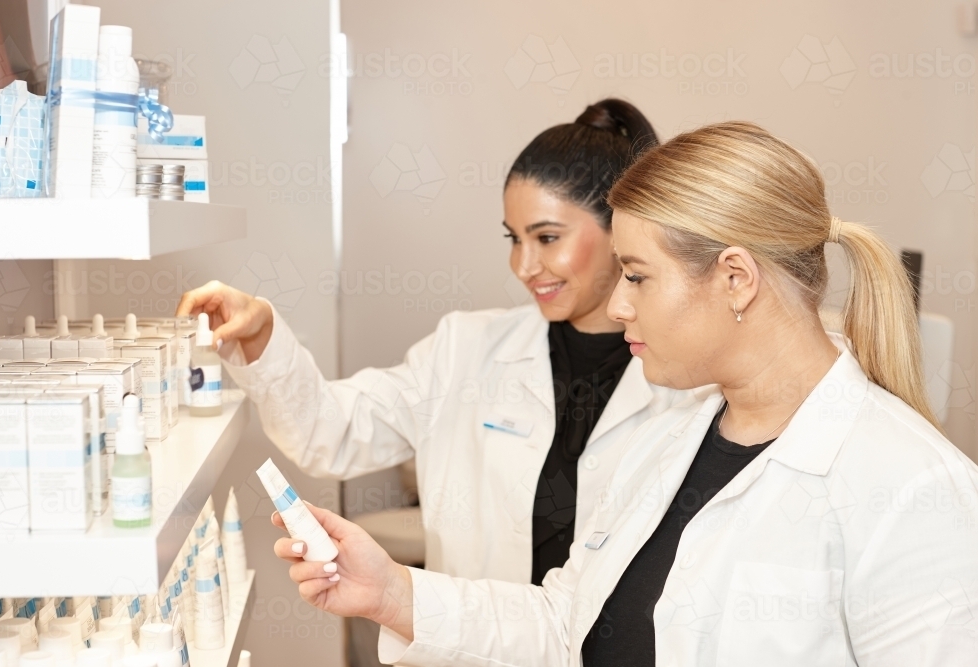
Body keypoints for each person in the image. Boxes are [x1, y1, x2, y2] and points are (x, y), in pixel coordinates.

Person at [272, 121, 978, 666]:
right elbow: (569, 624)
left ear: (735, 278)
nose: (617, 307)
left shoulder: (916, 492)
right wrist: (395, 592)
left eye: (637, 276)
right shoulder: (673, 444)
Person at [177, 99, 685, 586]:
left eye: (547, 238)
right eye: (513, 238)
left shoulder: (688, 378)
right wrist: (264, 335)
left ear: (619, 229)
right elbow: (327, 431)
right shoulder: (465, 350)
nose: (523, 266)